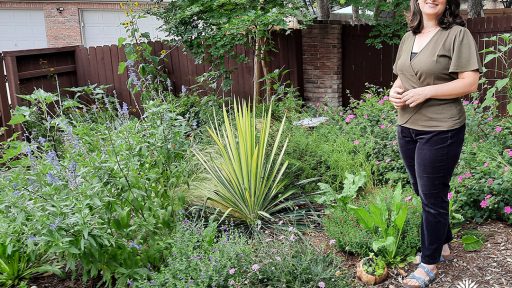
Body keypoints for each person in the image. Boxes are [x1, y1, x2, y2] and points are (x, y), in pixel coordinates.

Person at [389, 0, 482, 287]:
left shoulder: (457, 34)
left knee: (432, 196)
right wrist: (394, 92)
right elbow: (402, 76)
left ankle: (429, 263)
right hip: (407, 126)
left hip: (441, 128)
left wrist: (427, 92)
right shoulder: (409, 37)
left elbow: (469, 83)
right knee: (423, 190)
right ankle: (443, 240)